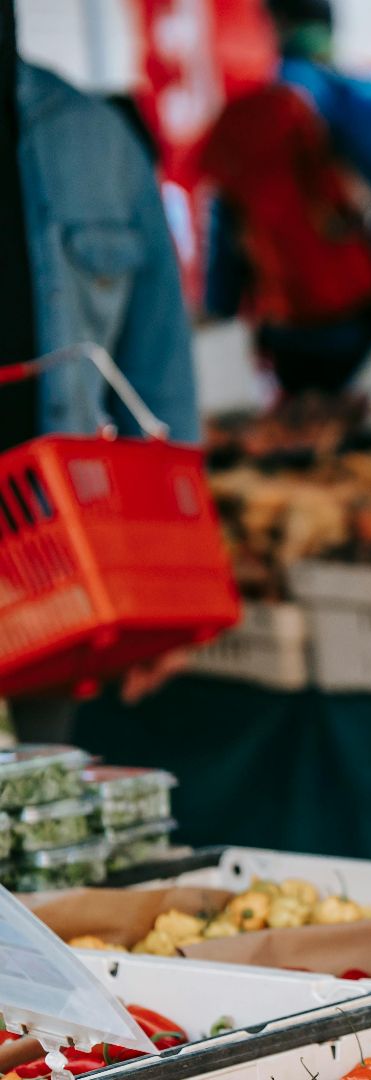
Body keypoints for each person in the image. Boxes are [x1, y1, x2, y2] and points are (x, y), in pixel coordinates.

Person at [3, 56, 200, 729]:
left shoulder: (93, 138)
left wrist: (171, 593)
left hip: (51, 585)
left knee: (41, 810)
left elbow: (158, 377)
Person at [201, 0, 371, 397]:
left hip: (288, 328)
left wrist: (224, 315)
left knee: (308, 435)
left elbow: (226, 242)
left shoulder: (243, 120)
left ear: (272, 27)